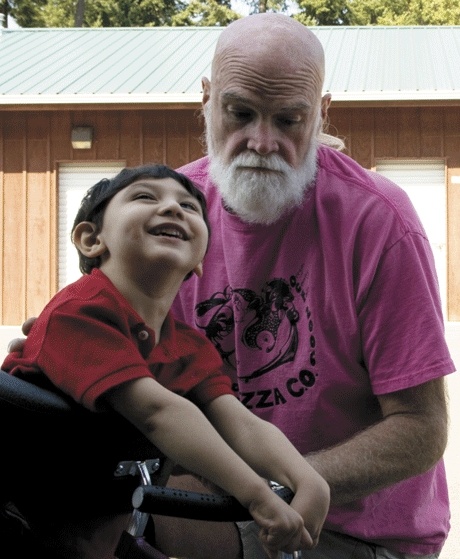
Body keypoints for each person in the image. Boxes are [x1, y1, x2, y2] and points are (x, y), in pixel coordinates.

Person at [8, 12, 456, 559]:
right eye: (240, 113)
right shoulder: (175, 217)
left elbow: (421, 429)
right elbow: (137, 379)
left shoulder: (379, 221)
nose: (261, 143)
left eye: (289, 120)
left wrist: (273, 487)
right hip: (203, 506)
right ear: (206, 99)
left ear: (322, 113)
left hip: (354, 531)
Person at [2, 163, 330, 559]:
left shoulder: (186, 345)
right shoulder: (78, 312)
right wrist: (258, 497)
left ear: (200, 260)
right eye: (145, 197)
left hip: (96, 536)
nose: (174, 209)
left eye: (190, 207)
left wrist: (307, 478)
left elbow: (238, 422)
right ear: (92, 239)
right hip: (22, 523)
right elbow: (158, 412)